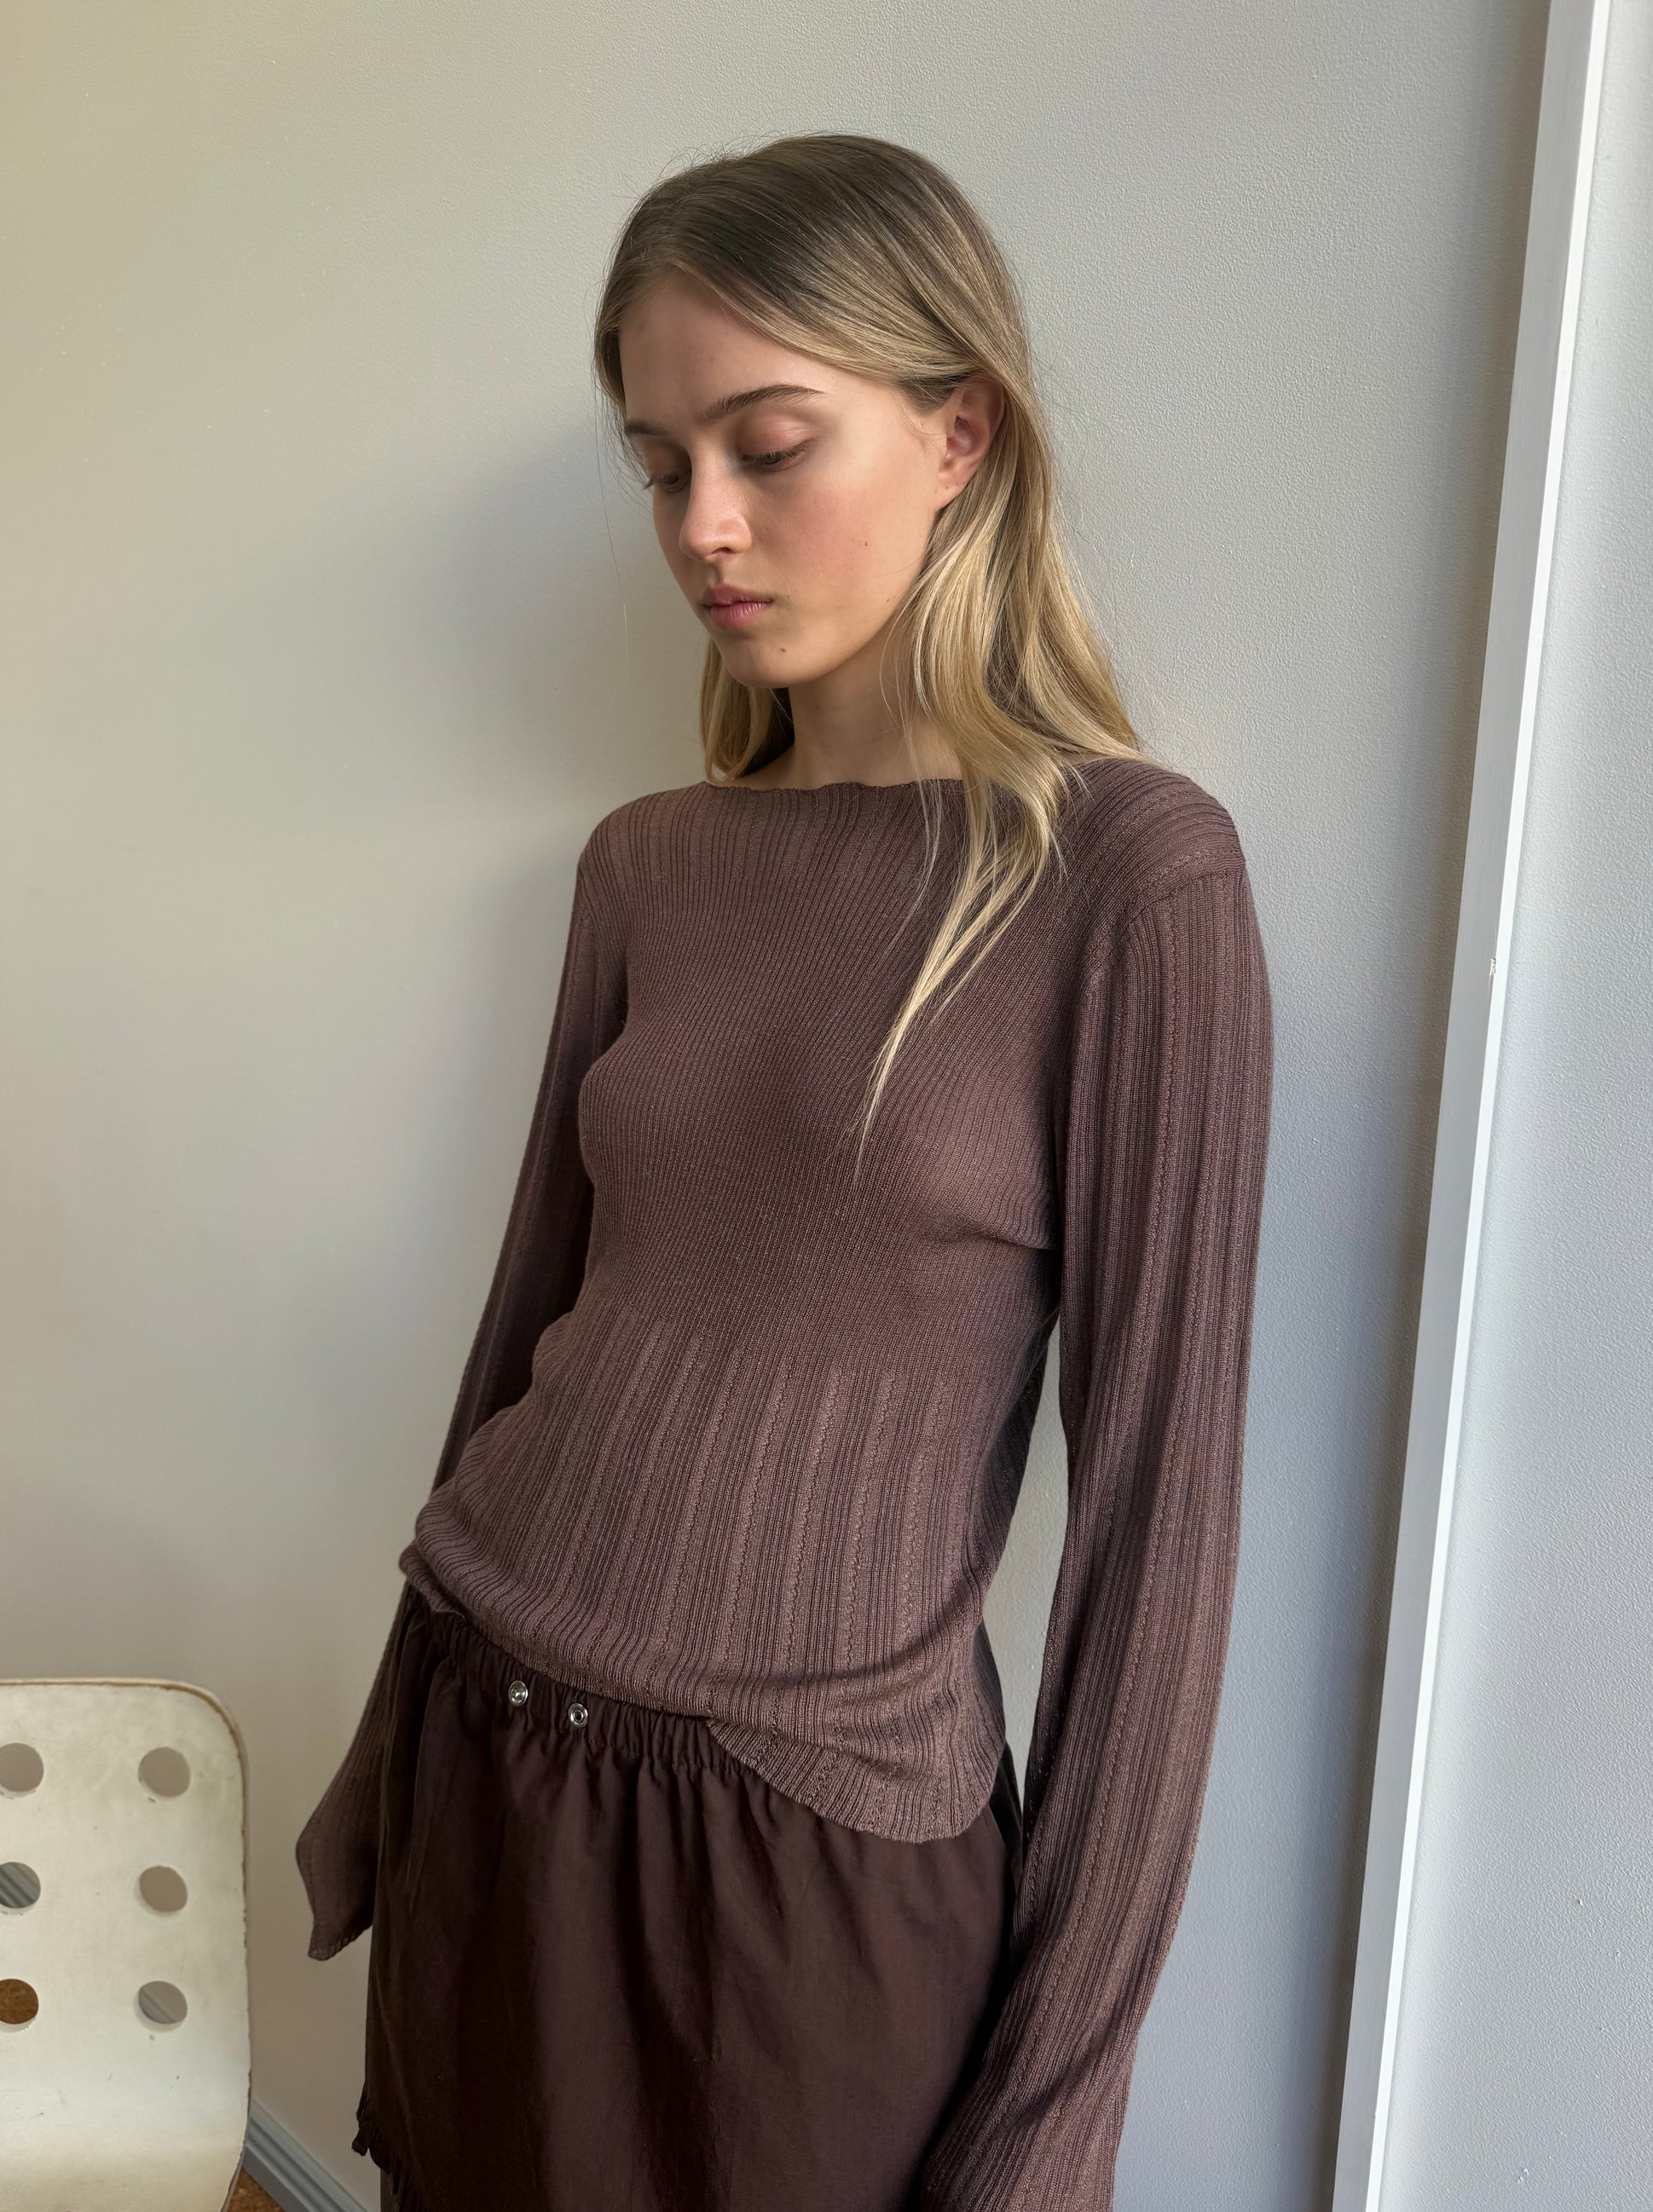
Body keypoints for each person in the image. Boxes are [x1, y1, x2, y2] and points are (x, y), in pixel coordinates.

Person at [295, 131, 1274, 2212]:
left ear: (957, 433)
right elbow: (523, 1330)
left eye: (767, 442)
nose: (704, 526)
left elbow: (1159, 1550)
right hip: (494, 1744)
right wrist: (390, 1758)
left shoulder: (1129, 880)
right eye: (660, 465)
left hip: (807, 1867)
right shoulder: (649, 861)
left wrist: (1053, 2119)